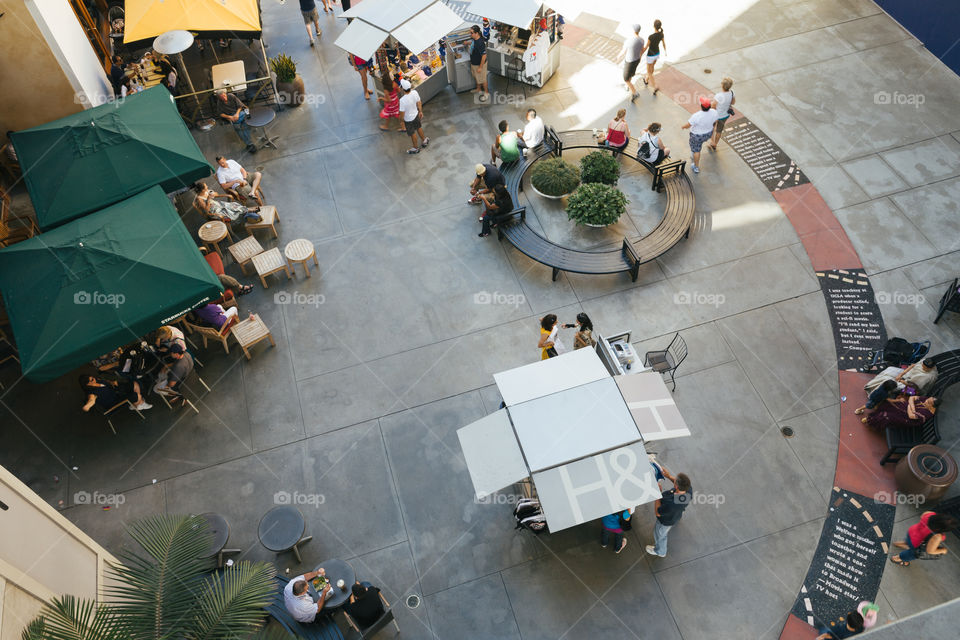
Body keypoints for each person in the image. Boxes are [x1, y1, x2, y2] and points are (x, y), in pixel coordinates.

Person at [646, 470, 691, 558]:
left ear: (676, 486)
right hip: (676, 516)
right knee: (675, 517)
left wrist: (657, 494)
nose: (673, 479)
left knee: (660, 535)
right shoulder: (688, 490)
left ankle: (660, 551)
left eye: (675, 480)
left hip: (665, 522)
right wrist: (669, 476)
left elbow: (658, 513)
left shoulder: (671, 504)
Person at [890, 511, 958, 566]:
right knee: (910, 555)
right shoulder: (937, 536)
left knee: (908, 541)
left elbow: (921, 516)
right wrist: (943, 550)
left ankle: (898, 544)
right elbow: (930, 551)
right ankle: (897, 558)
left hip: (911, 532)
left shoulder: (930, 514)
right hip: (916, 544)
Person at [191, 182, 261, 228]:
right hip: (214, 211)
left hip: (218, 205)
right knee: (231, 211)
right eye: (206, 187)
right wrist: (209, 199)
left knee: (234, 205)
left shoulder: (206, 191)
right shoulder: (199, 199)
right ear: (202, 190)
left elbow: (216, 194)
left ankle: (248, 210)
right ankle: (248, 212)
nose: (207, 187)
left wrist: (213, 193)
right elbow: (206, 211)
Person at [681, 96, 718, 174]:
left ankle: (696, 167)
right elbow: (715, 121)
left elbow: (688, 125)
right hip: (708, 134)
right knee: (697, 147)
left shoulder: (697, 116)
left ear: (701, 106)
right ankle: (694, 154)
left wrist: (683, 127)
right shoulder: (714, 112)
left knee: (696, 151)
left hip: (697, 136)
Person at [865, 394, 939, 430]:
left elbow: (911, 416)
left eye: (928, 402)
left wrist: (910, 406)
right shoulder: (927, 400)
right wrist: (912, 407)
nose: (926, 400)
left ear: (932, 406)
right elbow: (911, 398)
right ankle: (876, 413)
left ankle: (871, 420)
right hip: (907, 408)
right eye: (928, 399)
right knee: (891, 403)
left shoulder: (927, 414)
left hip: (907, 419)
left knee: (888, 416)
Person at [214, 89, 256, 153]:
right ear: (219, 98)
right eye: (222, 97)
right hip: (232, 116)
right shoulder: (219, 103)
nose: (224, 98)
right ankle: (249, 143)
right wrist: (230, 117)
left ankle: (249, 143)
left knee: (242, 126)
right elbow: (220, 114)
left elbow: (240, 106)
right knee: (240, 128)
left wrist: (237, 114)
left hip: (238, 113)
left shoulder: (231, 96)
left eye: (224, 96)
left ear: (226, 94)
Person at [80, 375, 152, 412]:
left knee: (134, 384)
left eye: (93, 377)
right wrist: (88, 406)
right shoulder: (91, 393)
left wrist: (113, 383)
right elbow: (91, 400)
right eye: (92, 379)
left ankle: (137, 404)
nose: (94, 379)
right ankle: (139, 402)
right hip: (113, 403)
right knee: (137, 395)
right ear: (88, 384)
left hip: (116, 394)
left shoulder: (98, 381)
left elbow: (107, 383)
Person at [398, 79, 429, 154]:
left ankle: (415, 148)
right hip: (416, 115)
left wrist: (401, 121)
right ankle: (424, 140)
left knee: (412, 133)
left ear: (403, 89)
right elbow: (419, 102)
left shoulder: (402, 100)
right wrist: (420, 111)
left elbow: (402, 113)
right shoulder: (415, 92)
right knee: (419, 127)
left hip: (408, 120)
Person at [618, 24, 646, 101]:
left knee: (626, 78)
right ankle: (628, 86)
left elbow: (623, 52)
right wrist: (640, 56)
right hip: (637, 60)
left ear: (633, 30)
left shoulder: (628, 41)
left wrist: (618, 56)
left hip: (629, 61)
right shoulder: (642, 40)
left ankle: (635, 93)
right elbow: (642, 50)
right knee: (631, 74)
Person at [708, 78, 735, 151]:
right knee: (719, 130)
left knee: (712, 127)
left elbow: (713, 106)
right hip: (725, 115)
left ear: (722, 85)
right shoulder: (732, 93)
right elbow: (733, 102)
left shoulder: (719, 95)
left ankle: (712, 142)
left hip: (716, 115)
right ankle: (715, 144)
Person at [644, 20, 665, 96]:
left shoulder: (651, 36)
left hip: (650, 55)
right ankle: (646, 80)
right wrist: (665, 51)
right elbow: (663, 43)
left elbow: (646, 47)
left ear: (654, 26)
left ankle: (655, 86)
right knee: (651, 68)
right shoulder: (661, 34)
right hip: (657, 53)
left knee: (649, 72)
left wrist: (640, 53)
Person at [469, 25, 488, 101]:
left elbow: (484, 56)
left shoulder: (480, 43)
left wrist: (480, 67)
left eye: (471, 33)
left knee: (483, 79)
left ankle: (486, 93)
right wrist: (467, 43)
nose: (470, 34)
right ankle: (478, 89)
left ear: (476, 33)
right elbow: (473, 44)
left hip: (479, 64)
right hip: (474, 63)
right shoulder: (474, 39)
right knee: (477, 77)